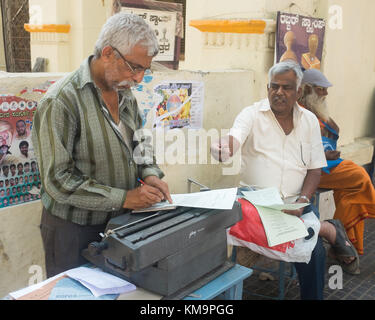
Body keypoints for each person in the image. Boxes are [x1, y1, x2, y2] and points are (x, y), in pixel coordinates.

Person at [32, 13, 172, 278]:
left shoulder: (125, 93)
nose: (140, 78)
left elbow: (140, 141)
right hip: (72, 229)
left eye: (145, 69)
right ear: (108, 53)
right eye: (135, 67)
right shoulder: (61, 101)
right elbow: (57, 180)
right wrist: (125, 197)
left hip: (118, 223)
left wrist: (150, 174)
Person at [211, 60, 359, 299]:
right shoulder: (252, 114)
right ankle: (328, 229)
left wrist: (302, 199)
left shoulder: (310, 121)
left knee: (315, 253)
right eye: (274, 86)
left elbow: (314, 170)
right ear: (267, 88)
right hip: (256, 204)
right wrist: (223, 148)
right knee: (216, 229)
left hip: (296, 203)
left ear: (298, 92)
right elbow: (234, 138)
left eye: (286, 87)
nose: (279, 92)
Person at [299, 68, 375, 259]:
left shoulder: (314, 111)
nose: (325, 93)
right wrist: (324, 154)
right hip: (311, 171)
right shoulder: (300, 113)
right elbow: (299, 151)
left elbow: (332, 131)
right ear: (307, 90)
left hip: (327, 164)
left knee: (351, 197)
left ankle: (347, 246)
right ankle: (341, 240)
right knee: (360, 176)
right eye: (321, 89)